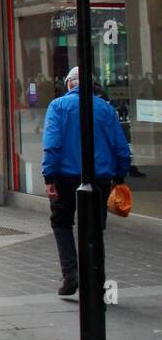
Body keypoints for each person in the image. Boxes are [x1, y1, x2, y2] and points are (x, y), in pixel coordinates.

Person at [42, 66, 132, 297]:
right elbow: (121, 148)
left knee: (61, 223)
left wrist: (49, 176)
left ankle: (71, 272)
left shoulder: (58, 106)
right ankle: (95, 275)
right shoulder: (106, 109)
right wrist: (119, 176)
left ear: (70, 83)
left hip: (65, 177)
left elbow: (52, 144)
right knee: (94, 227)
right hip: (99, 179)